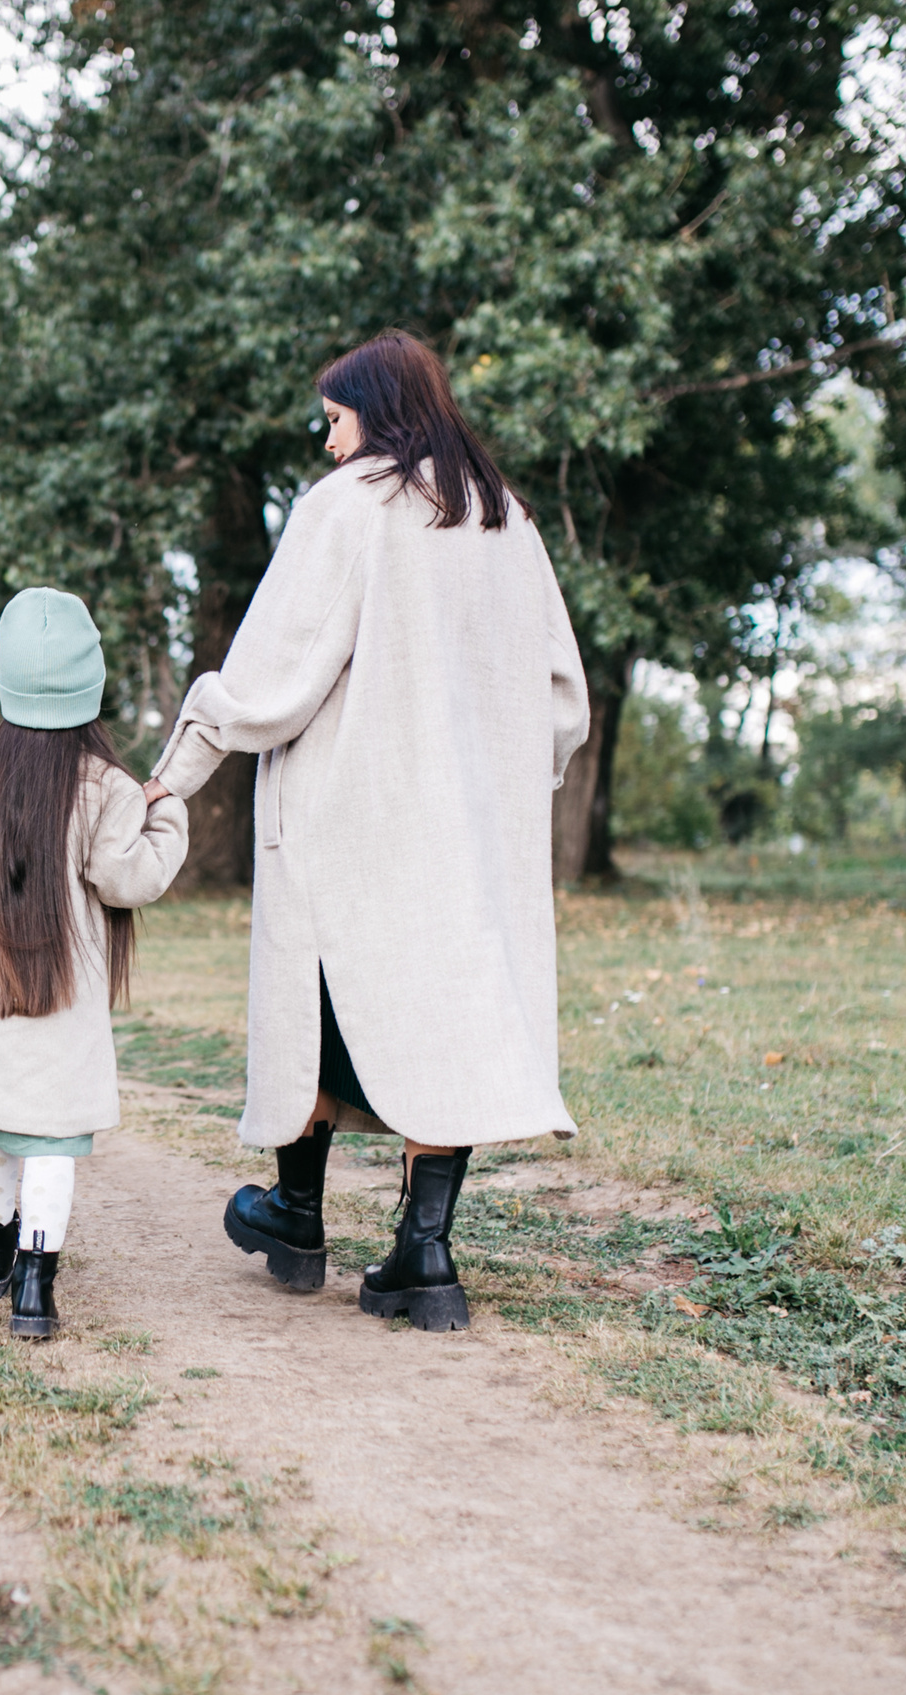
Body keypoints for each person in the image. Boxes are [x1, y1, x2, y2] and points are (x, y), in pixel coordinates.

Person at [146, 331, 590, 1333]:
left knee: (321, 1000)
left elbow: (268, 677)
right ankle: (423, 1258)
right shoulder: (503, 521)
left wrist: (169, 779)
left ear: (377, 415)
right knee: (448, 1017)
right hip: (465, 841)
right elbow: (562, 702)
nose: (330, 446)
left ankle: (296, 1215)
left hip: (352, 818)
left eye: (336, 421)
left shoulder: (347, 511)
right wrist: (504, 788)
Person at [0, 588, 190, 1340]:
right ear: (91, 687)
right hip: (63, 1009)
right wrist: (168, 806)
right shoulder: (107, 789)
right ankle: (35, 1289)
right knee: (51, 1143)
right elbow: (133, 877)